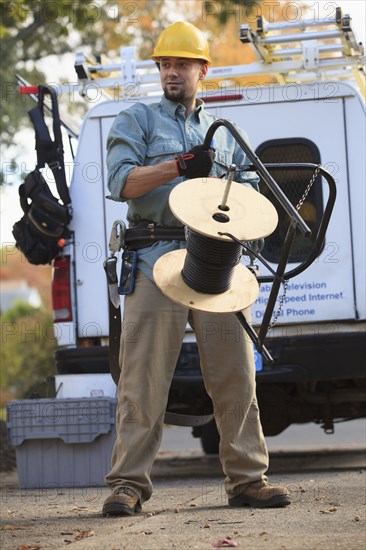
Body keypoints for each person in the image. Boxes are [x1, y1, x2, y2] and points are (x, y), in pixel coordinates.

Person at [102, 21, 290, 516]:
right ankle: (127, 485)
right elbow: (121, 184)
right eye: (165, 64)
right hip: (151, 258)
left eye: (181, 64)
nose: (171, 73)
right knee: (142, 378)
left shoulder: (231, 135)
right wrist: (178, 166)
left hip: (213, 264)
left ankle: (249, 480)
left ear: (202, 69)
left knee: (235, 375)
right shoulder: (137, 120)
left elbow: (252, 197)